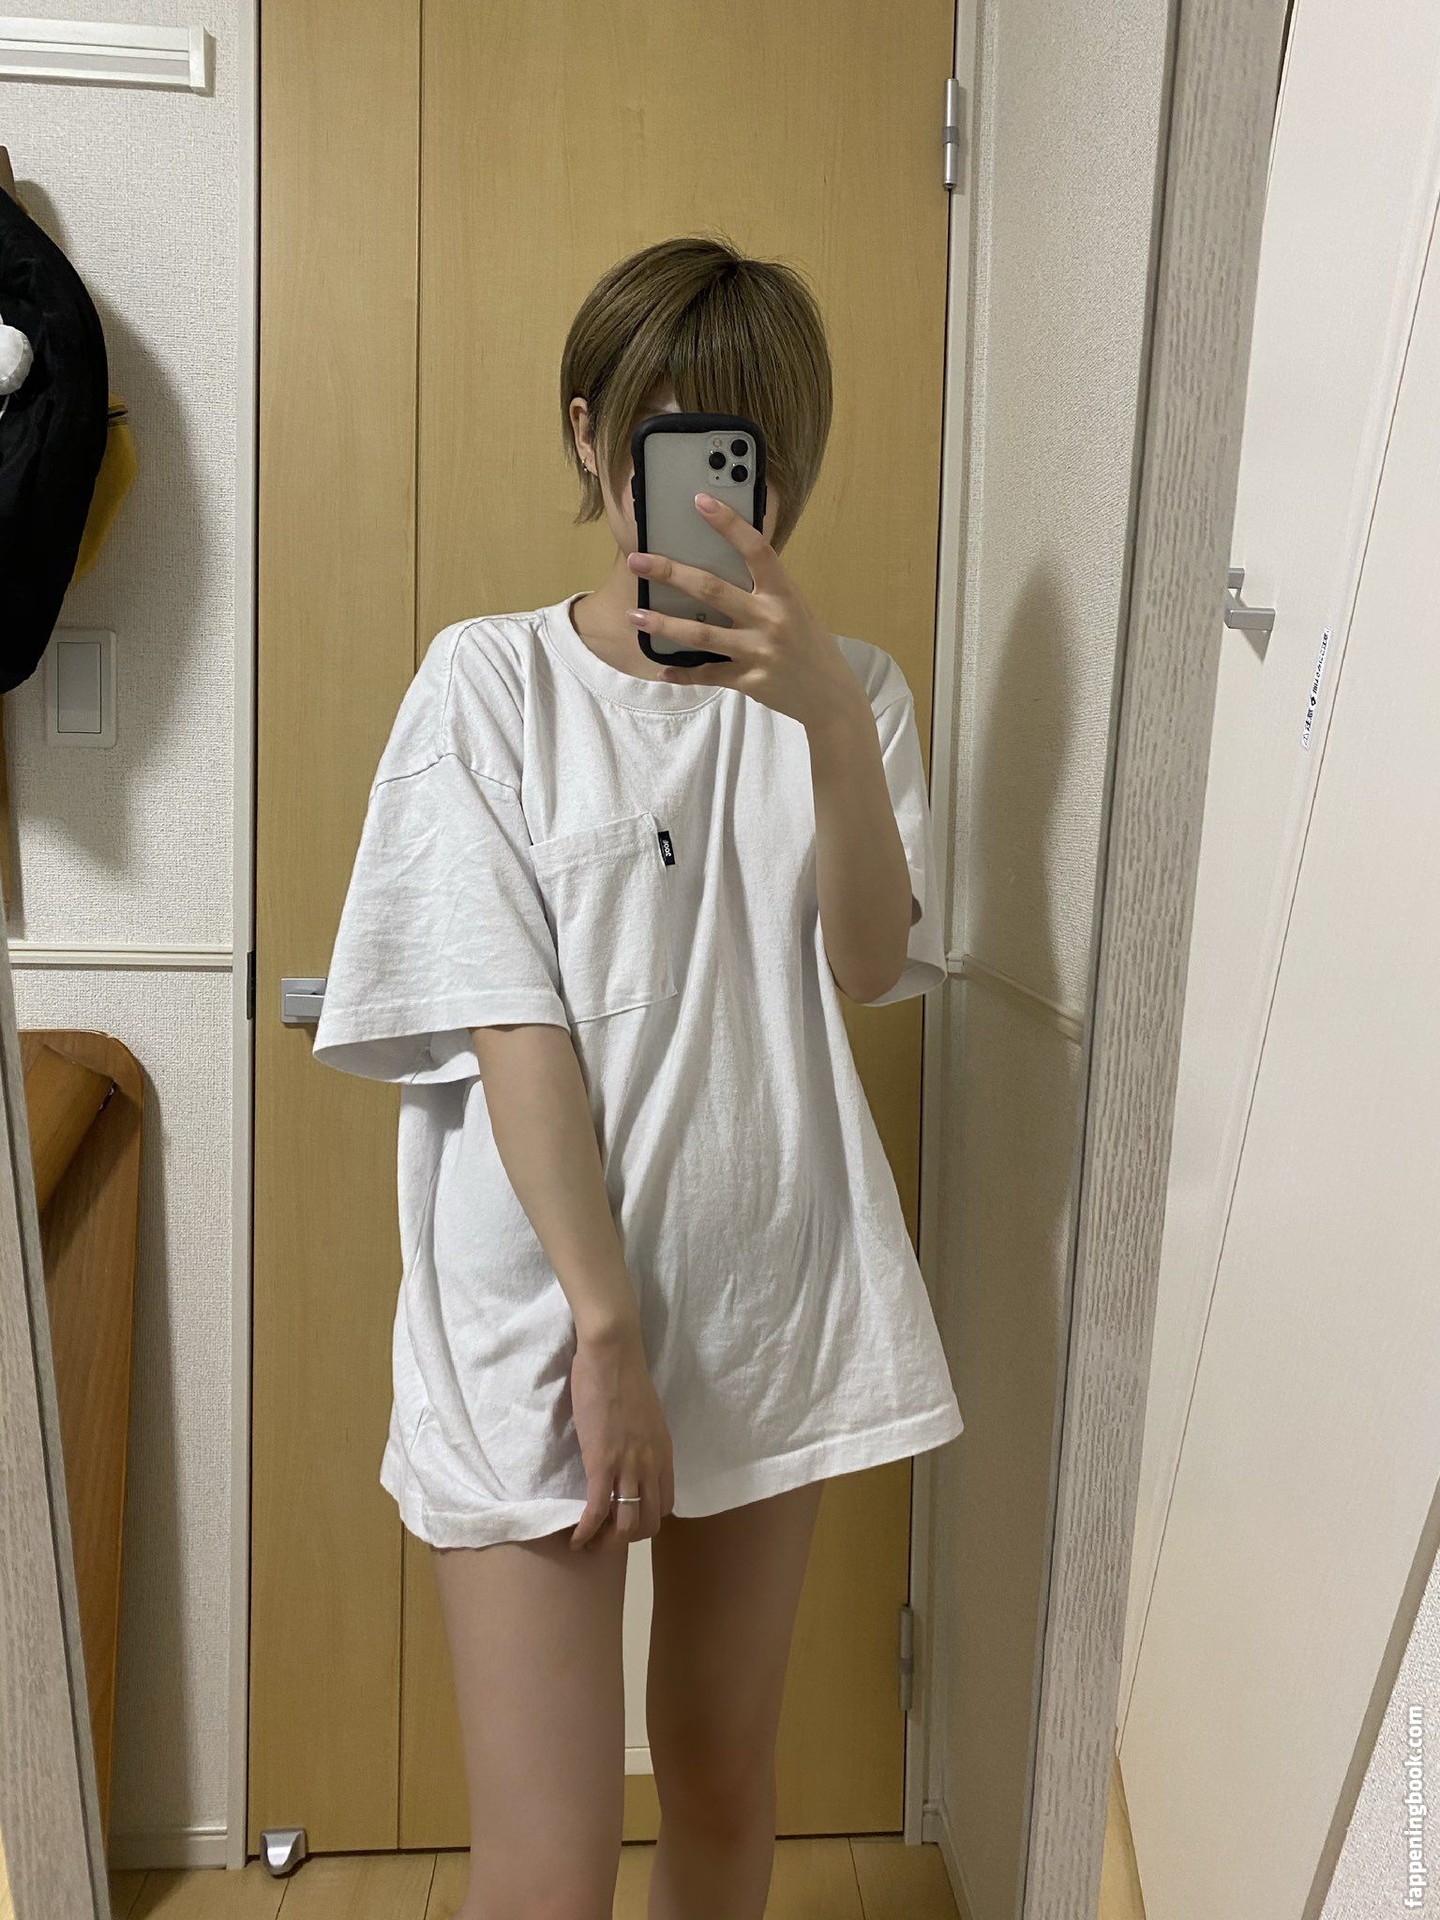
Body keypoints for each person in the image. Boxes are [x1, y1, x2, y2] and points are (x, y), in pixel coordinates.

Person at [311, 233, 964, 1920]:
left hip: (766, 1301)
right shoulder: (489, 682)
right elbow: (505, 1014)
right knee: (548, 1859)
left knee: (726, 1783)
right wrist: (604, 1332)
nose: (710, 493)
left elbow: (869, 965)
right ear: (592, 433)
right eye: (674, 443)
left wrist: (826, 722)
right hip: (541, 1322)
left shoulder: (855, 698)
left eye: (747, 455)